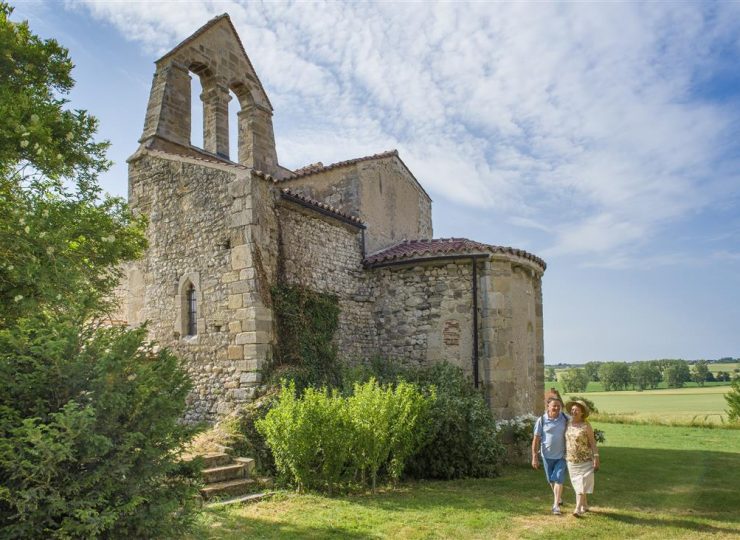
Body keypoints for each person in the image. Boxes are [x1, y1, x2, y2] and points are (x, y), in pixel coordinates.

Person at [532, 389, 569, 515]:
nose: (557, 408)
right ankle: (558, 498)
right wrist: (534, 457)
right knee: (550, 480)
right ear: (548, 406)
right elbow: (536, 439)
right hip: (546, 455)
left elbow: (577, 423)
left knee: (558, 478)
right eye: (554, 406)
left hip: (562, 455)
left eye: (559, 406)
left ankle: (555, 505)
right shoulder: (541, 420)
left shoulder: (565, 418)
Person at [564, 399, 600, 517]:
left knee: (581, 483)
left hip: (585, 460)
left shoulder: (586, 425)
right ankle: (585, 505)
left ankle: (577, 508)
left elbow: (593, 442)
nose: (574, 412)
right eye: (572, 409)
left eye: (576, 410)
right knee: (578, 483)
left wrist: (596, 457)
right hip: (571, 460)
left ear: (582, 413)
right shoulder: (568, 423)